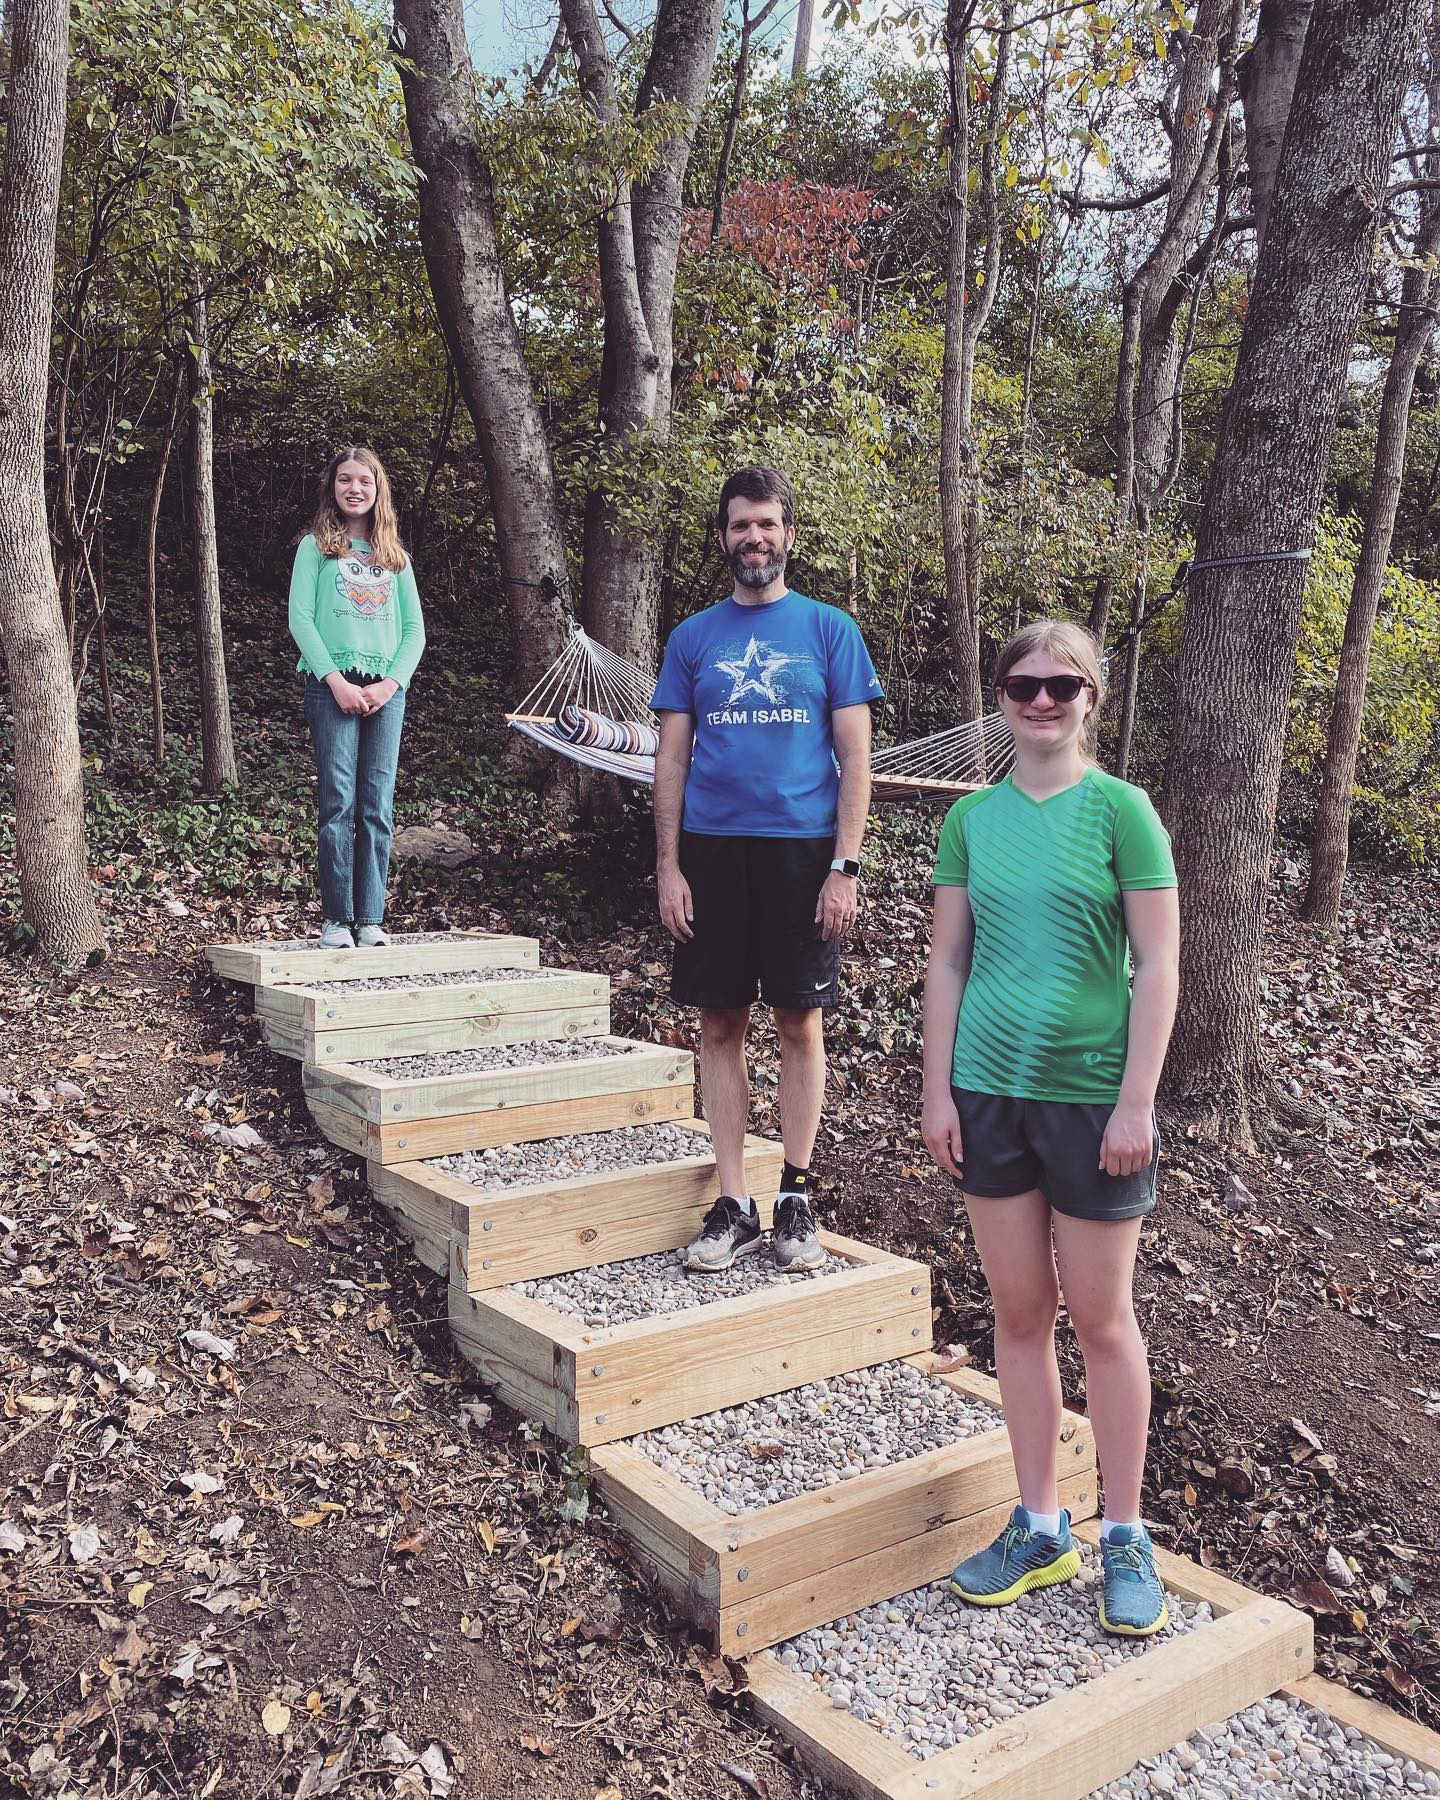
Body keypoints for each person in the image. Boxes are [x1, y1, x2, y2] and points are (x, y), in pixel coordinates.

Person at [920, 619, 1180, 1637]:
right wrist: (937, 1090)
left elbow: (1159, 964)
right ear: (1000, 694)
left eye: (1061, 687)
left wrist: (1137, 1100)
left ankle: (1125, 1532)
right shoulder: (972, 822)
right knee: (1019, 1314)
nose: (1040, 701)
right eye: (1024, 683)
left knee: (1103, 1319)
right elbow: (946, 961)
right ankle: (1039, 1524)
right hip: (989, 1093)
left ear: (1090, 699)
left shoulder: (1124, 812)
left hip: (1092, 1099)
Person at [652, 466, 884, 1273]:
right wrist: (669, 867)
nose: (754, 537)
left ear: (789, 533)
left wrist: (843, 867)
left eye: (767, 524)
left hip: (801, 853)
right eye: (740, 524)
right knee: (719, 1025)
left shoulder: (829, 630)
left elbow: (857, 760)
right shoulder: (693, 638)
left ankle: (794, 1195)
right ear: (725, 536)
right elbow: (671, 760)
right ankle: (733, 1201)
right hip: (713, 852)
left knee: (799, 1023)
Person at [288, 447, 426, 949]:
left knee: (377, 805)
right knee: (338, 802)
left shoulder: (396, 558)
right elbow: (300, 619)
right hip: (331, 688)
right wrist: (337, 682)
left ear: (377, 490)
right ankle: (335, 920)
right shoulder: (315, 548)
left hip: (386, 690)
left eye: (364, 482)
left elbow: (415, 632)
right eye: (345, 480)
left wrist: (389, 684)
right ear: (333, 488)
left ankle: (370, 919)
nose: (354, 489)